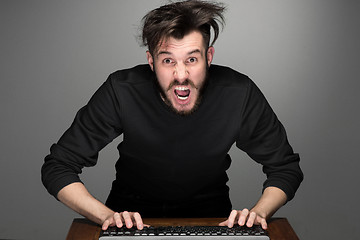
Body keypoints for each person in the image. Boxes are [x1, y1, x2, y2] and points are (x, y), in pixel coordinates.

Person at [41, 0, 303, 232]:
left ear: (208, 57)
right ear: (151, 61)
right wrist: (107, 217)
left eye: (191, 59)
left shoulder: (239, 92)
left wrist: (259, 213)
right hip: (129, 220)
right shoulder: (121, 89)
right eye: (168, 61)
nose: (181, 75)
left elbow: (284, 167)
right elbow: (58, 167)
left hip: (213, 220)